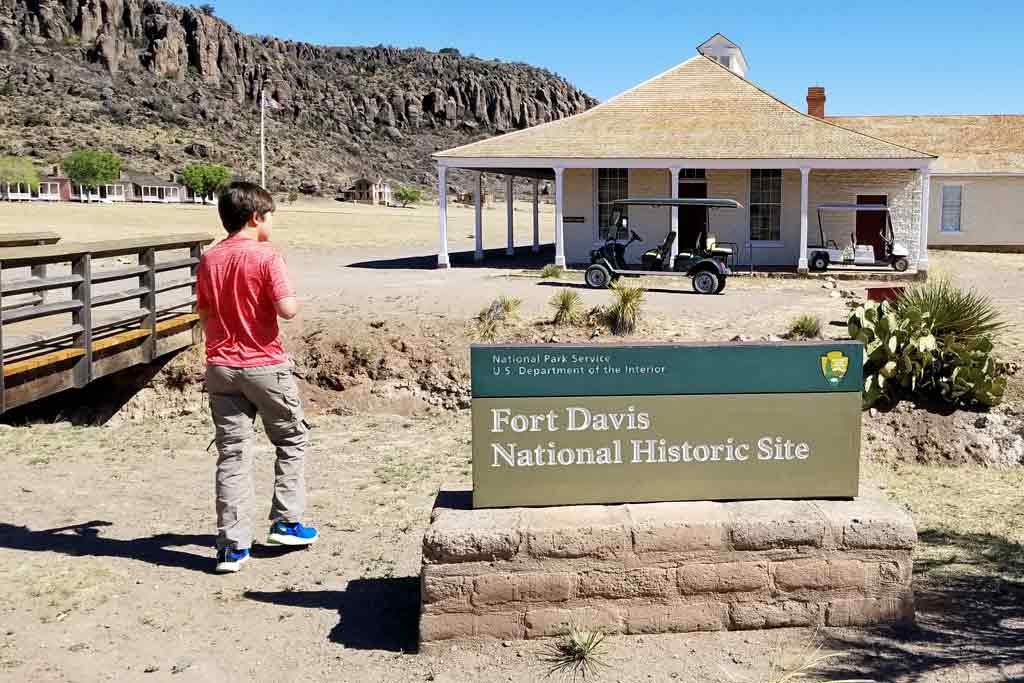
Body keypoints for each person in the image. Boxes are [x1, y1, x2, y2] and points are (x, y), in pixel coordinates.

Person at [196, 181, 318, 574]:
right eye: (268, 218)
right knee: (292, 438)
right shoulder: (267, 256)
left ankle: (232, 547)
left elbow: (204, 312)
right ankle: (287, 521)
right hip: (264, 364)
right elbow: (287, 310)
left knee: (232, 453)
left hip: (220, 366)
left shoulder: (209, 259)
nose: (270, 225)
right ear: (255, 217)